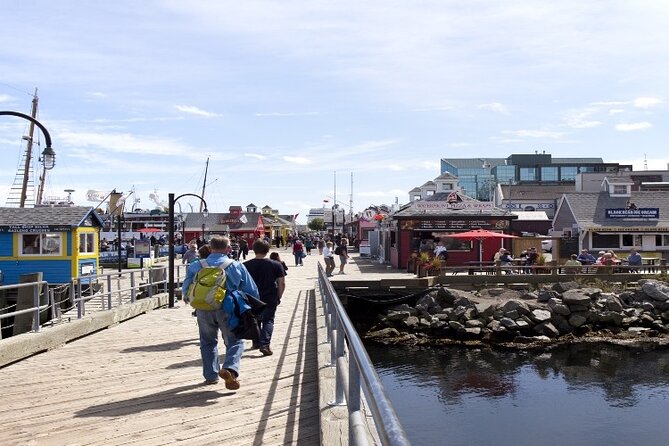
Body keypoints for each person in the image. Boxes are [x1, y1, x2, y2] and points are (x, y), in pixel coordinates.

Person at [182, 235, 259, 389]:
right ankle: (230, 368)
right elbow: (251, 290)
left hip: (203, 308)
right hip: (228, 308)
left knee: (207, 342)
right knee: (235, 340)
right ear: (228, 248)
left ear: (210, 248)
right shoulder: (236, 265)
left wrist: (188, 299)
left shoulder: (196, 265)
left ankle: (211, 375)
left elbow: (186, 287)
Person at [244, 240, 286, 356]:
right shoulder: (276, 264)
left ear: (253, 249)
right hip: (270, 296)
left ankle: (256, 342)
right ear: (268, 250)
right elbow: (281, 283)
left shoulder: (245, 265)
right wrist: (279, 296)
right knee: (268, 320)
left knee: (254, 319)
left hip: (252, 297)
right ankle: (265, 344)